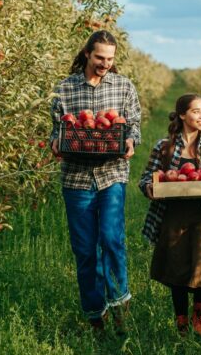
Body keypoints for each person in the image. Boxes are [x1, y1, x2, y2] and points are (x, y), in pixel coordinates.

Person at [49, 30, 141, 334]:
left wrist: (129, 142)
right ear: (87, 53)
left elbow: (134, 126)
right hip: (76, 176)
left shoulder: (124, 86)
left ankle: (119, 302)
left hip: (112, 173)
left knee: (112, 239)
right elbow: (56, 131)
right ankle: (94, 313)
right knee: (85, 249)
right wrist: (55, 142)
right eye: (100, 57)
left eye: (110, 59)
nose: (105, 64)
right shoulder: (64, 89)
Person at [139, 94, 201, 337]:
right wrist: (150, 188)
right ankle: (181, 318)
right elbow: (146, 178)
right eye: (196, 111)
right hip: (171, 214)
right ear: (182, 115)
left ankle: (198, 315)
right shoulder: (164, 147)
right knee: (176, 266)